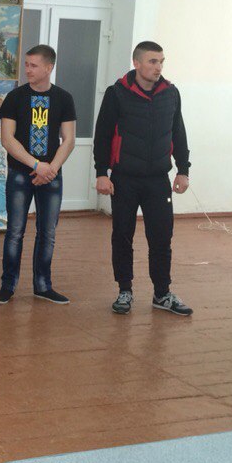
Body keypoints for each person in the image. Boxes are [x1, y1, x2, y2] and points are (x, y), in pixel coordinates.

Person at [93, 40, 192, 316]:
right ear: (136, 63)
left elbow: (178, 132)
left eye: (161, 61)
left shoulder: (171, 93)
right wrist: (101, 173)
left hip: (158, 180)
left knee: (161, 238)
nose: (158, 67)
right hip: (124, 179)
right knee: (122, 235)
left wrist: (183, 169)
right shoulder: (117, 93)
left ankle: (162, 293)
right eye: (152, 61)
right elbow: (103, 135)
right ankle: (124, 290)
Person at [0, 44, 76, 305]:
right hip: (20, 174)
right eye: (26, 65)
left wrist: (51, 169)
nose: (27, 70)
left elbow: (69, 139)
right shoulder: (15, 97)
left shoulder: (64, 98)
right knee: (15, 231)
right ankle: (8, 285)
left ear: (49, 67)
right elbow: (7, 139)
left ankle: (43, 286)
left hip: (51, 176)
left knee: (47, 233)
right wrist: (36, 165)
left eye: (34, 65)